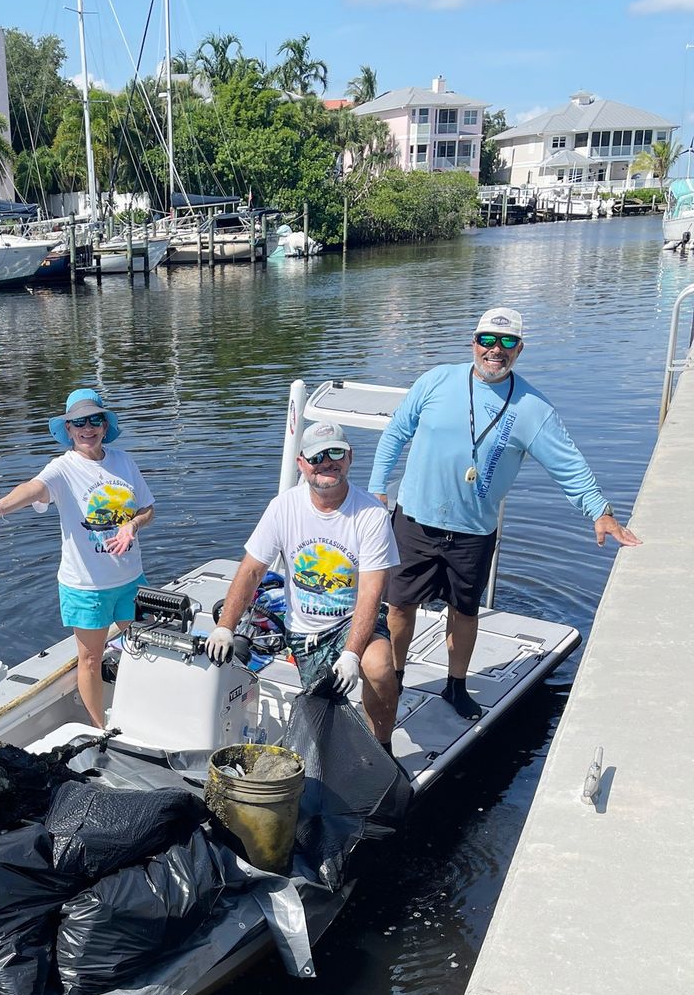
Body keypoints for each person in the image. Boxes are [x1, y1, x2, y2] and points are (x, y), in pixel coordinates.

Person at [369, 305, 641, 721]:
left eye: (508, 342)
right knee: (400, 606)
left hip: (474, 529)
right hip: (414, 519)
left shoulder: (532, 408)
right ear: (474, 342)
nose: (496, 350)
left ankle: (455, 685)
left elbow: (567, 464)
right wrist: (376, 489)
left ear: (520, 349)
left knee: (465, 610)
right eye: (488, 340)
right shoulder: (436, 380)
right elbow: (396, 433)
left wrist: (599, 511)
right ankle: (398, 675)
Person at [0, 387, 155, 728]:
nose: (87, 428)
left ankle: (143, 714)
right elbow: (34, 488)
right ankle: (101, 729)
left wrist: (133, 527)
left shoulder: (123, 461)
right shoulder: (63, 469)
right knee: (91, 659)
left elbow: (147, 508)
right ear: (68, 430)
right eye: (78, 422)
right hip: (86, 586)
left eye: (94, 419)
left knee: (145, 650)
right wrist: (0, 506)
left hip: (130, 580)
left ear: (104, 425)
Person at [207, 420, 401, 748]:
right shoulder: (283, 507)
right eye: (316, 456)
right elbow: (251, 571)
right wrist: (225, 626)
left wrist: (352, 654)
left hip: (350, 621)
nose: (327, 461)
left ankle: (382, 746)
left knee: (379, 667)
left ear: (350, 457)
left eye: (335, 452)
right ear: (302, 464)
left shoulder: (372, 515)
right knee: (321, 716)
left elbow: (372, 592)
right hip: (304, 633)